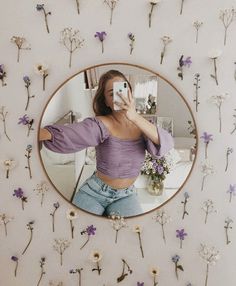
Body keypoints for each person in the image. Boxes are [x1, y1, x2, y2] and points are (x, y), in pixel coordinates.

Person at [39, 70, 174, 217]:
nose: (121, 96)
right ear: (106, 102)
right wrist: (41, 133)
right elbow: (74, 134)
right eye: (112, 93)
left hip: (126, 195)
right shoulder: (101, 124)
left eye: (123, 89)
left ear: (130, 92)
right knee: (78, 231)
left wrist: (134, 116)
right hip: (94, 193)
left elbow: (166, 143)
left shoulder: (143, 126)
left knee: (133, 235)